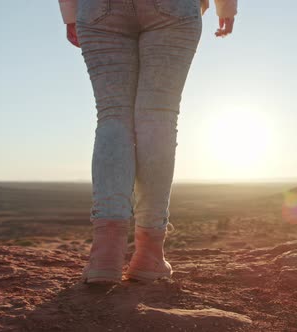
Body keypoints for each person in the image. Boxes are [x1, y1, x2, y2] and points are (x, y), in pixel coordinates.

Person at [58, 0, 237, 284]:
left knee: (112, 116)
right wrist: (226, 8)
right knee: (157, 116)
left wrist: (70, 12)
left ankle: (106, 254)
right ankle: (149, 254)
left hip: (98, 9)